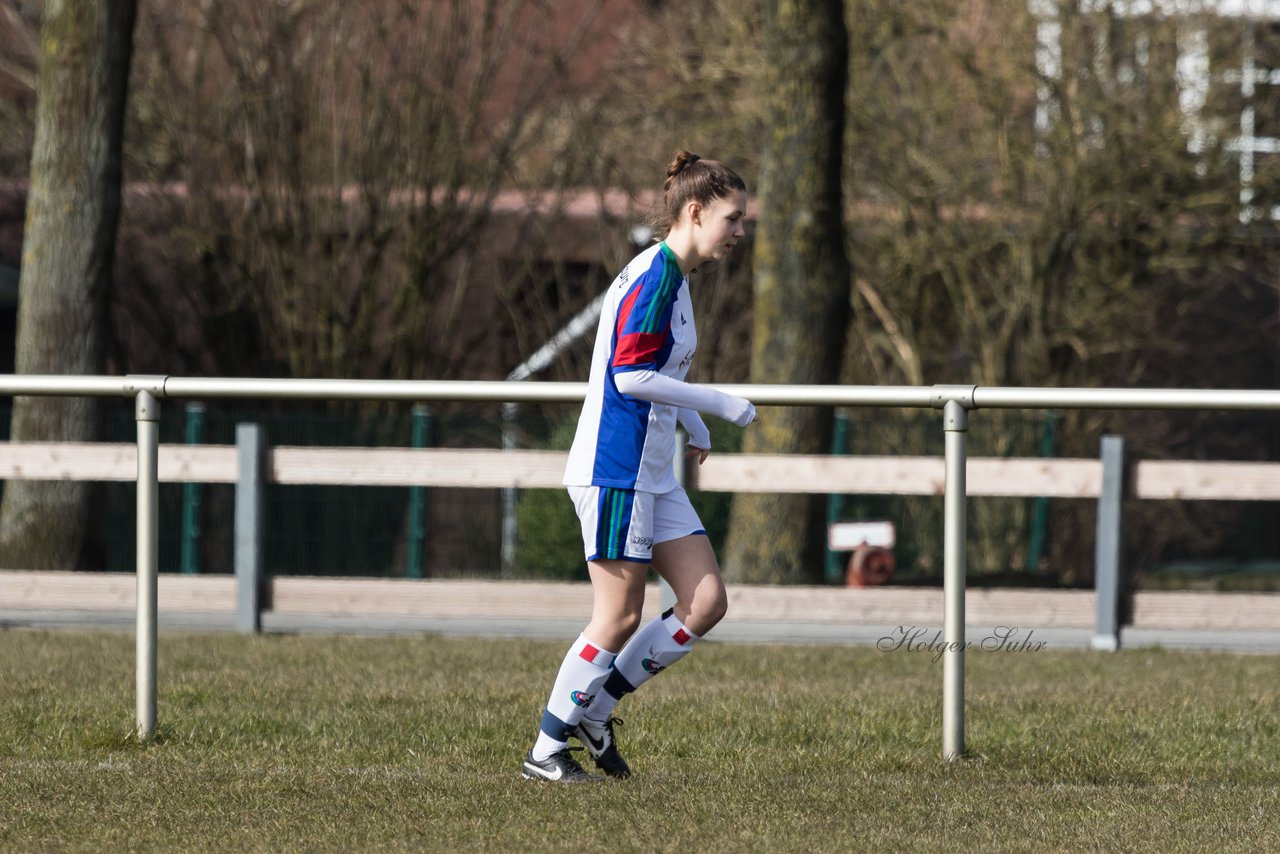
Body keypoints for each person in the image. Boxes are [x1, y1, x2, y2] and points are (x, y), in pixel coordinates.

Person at [522, 151, 757, 783]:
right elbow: (630, 375)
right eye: (733, 219)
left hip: (653, 471)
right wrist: (719, 404)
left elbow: (659, 373)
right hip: (616, 467)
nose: (740, 232)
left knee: (705, 601)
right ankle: (546, 749)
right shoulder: (655, 276)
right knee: (619, 615)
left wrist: (694, 422)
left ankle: (595, 711)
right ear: (696, 210)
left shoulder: (675, 279)